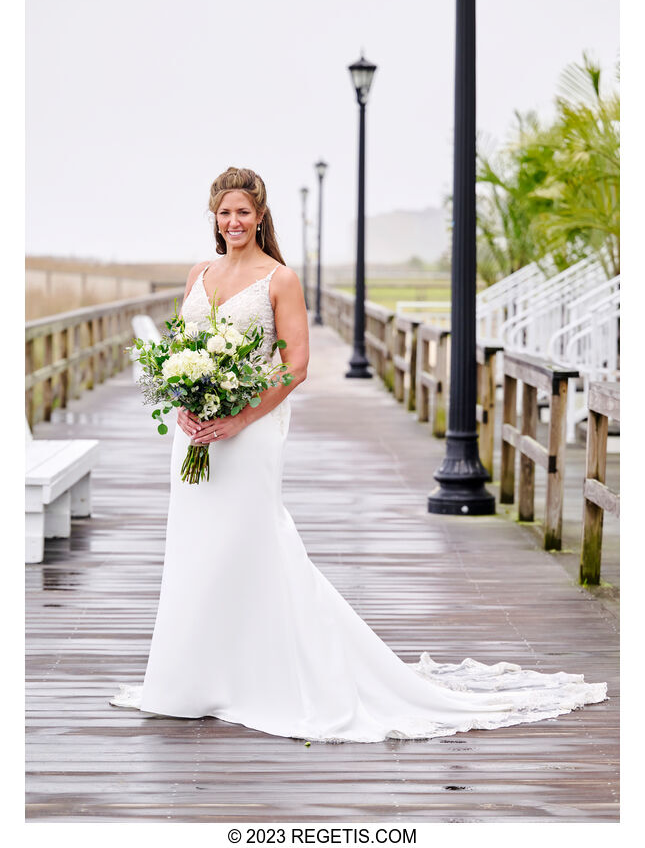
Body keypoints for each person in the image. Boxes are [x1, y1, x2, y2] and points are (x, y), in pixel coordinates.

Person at [109, 166, 608, 743]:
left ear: (261, 215)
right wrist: (184, 410)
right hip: (193, 435)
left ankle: (265, 674)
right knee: (196, 546)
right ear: (213, 218)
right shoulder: (199, 272)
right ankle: (192, 677)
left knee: (248, 543)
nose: (233, 221)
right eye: (224, 212)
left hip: (249, 433)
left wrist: (238, 419)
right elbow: (178, 352)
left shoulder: (280, 279)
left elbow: (294, 366)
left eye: (243, 211)